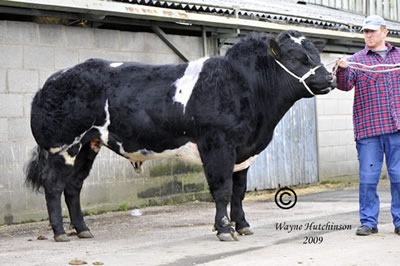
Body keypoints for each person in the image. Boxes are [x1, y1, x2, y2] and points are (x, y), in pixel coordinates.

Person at [336, 15, 400, 236]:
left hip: (397, 128)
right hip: (369, 130)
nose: (368, 35)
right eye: (365, 31)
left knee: (399, 176)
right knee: (368, 179)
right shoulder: (356, 60)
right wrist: (342, 69)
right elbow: (344, 86)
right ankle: (369, 222)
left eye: (372, 31)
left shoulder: (399, 57)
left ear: (384, 32)